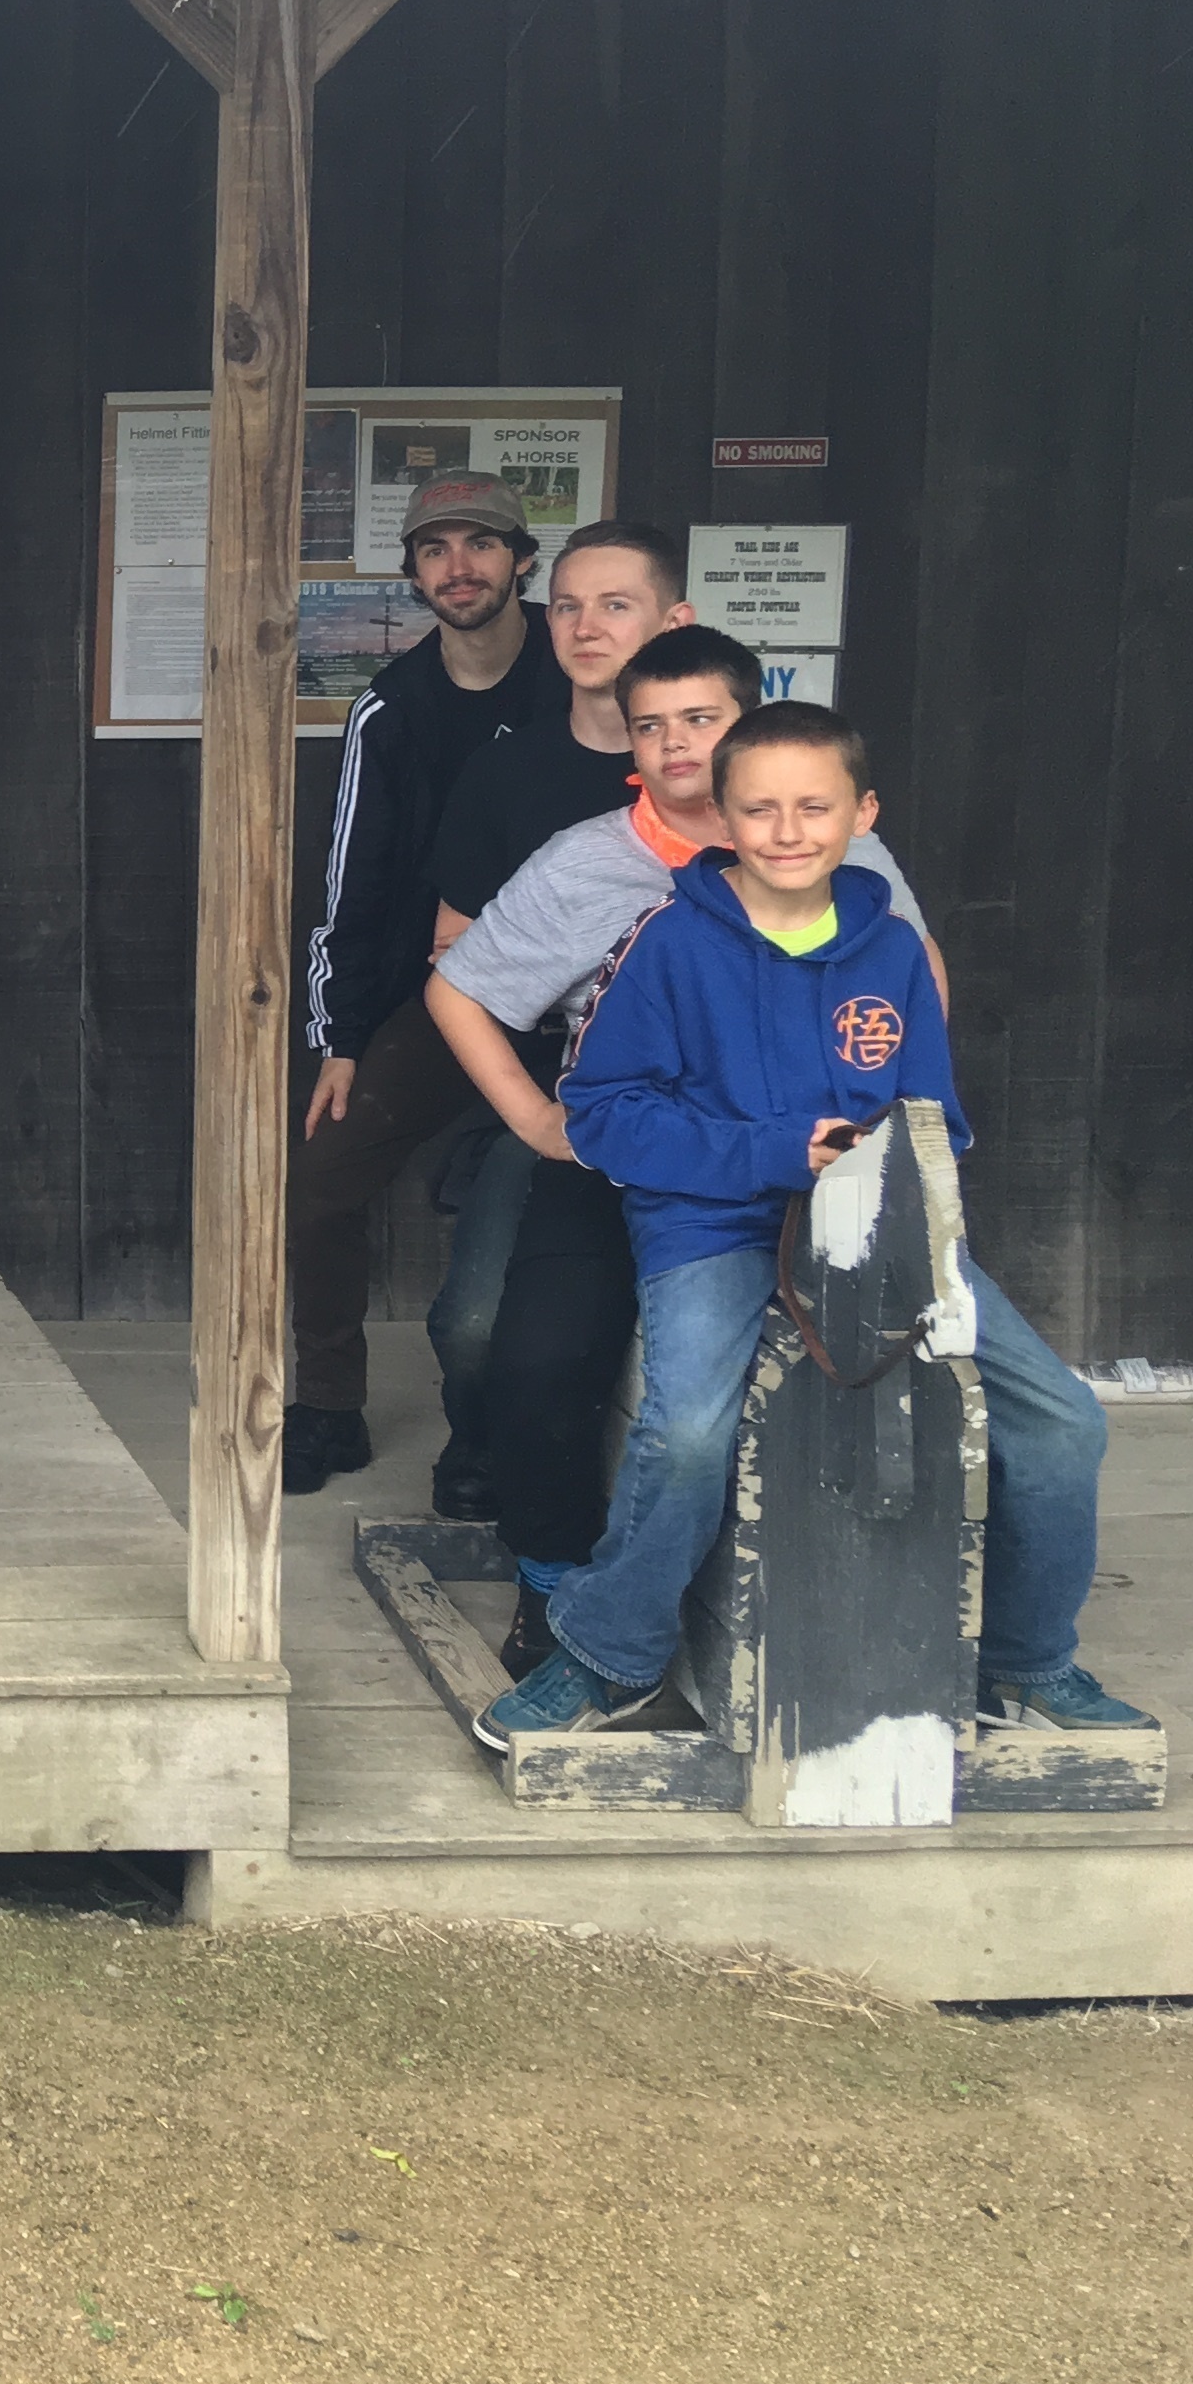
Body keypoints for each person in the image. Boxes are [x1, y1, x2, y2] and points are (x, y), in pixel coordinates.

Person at [476, 699, 1144, 1747]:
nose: (787, 831)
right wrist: (777, 1150)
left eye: (814, 807)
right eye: (760, 809)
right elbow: (602, 1115)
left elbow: (936, 1116)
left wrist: (892, 1180)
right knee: (688, 1432)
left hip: (874, 1226)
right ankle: (610, 1653)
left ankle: (1025, 1661)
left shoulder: (893, 951)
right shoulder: (667, 944)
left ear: (861, 814)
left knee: (1064, 1422)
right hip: (710, 1225)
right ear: (723, 817)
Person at [423, 625, 939, 1669]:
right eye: (650, 726)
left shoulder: (839, 845)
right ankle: (552, 1577)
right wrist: (538, 1121)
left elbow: (913, 980)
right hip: (626, 1139)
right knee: (532, 1350)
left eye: (701, 720)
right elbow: (457, 987)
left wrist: (901, 1131)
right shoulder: (590, 861)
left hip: (801, 1152)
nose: (676, 745)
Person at [406, 519, 697, 1518]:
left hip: (718, 1107)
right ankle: (485, 1442)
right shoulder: (513, 774)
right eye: (567, 606)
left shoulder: (754, 787)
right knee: (476, 1327)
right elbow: (454, 957)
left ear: (674, 622)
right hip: (550, 1083)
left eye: (615, 605)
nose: (586, 626)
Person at [283, 468, 566, 1493]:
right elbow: (350, 884)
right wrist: (342, 1040)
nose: (460, 567)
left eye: (481, 544)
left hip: (594, 997)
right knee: (322, 1173)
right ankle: (328, 1406)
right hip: (448, 996)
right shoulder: (391, 709)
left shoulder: (580, 680)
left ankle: (492, 1424)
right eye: (436, 549)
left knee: (549, 1217)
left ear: (522, 560)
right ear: (412, 573)